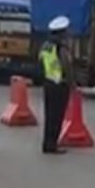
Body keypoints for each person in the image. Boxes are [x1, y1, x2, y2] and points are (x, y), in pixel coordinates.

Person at [39, 15, 72, 155]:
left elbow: (40, 61)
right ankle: (53, 145)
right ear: (61, 32)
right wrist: (72, 83)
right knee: (57, 117)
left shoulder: (45, 46)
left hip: (48, 83)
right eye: (66, 31)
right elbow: (67, 66)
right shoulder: (61, 47)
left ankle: (47, 143)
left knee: (49, 116)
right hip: (59, 85)